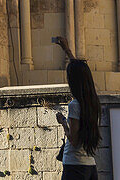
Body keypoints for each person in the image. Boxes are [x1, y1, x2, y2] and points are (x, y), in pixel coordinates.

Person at [54, 36, 101, 180]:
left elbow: (73, 140)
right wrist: (67, 51)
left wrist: (63, 122)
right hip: (90, 166)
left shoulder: (75, 105)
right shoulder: (93, 103)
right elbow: (80, 71)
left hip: (74, 166)